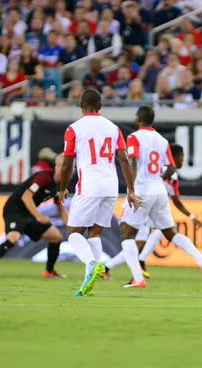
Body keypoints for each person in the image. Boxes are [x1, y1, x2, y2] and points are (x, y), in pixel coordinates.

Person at [116, 106, 202, 288]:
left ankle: (138, 278)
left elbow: (134, 160)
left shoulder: (133, 137)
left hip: (142, 189)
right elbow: (171, 168)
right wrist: (156, 179)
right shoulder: (162, 141)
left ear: (138, 119)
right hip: (159, 190)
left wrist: (132, 189)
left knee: (126, 235)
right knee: (171, 233)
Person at [59, 89, 140, 297]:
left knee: (74, 233)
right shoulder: (113, 128)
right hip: (110, 186)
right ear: (101, 106)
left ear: (80, 105)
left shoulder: (74, 129)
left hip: (89, 186)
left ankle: (92, 263)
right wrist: (131, 190)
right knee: (95, 233)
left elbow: (67, 164)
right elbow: (124, 160)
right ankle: (88, 282)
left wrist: (62, 189)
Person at [103, 143, 202, 280]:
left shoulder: (170, 175)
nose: (183, 160)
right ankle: (140, 263)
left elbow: (176, 200)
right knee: (155, 233)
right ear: (173, 157)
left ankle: (107, 268)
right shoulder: (164, 171)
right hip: (141, 204)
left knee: (139, 244)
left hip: (149, 208)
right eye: (181, 156)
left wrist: (191, 217)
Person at [0, 155, 69, 277]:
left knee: (56, 236)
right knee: (13, 238)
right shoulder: (44, 177)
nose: (72, 171)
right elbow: (26, 196)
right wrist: (38, 216)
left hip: (29, 213)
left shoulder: (61, 186)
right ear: (60, 167)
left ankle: (49, 271)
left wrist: (71, 225)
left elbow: (60, 207)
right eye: (70, 168)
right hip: (15, 210)